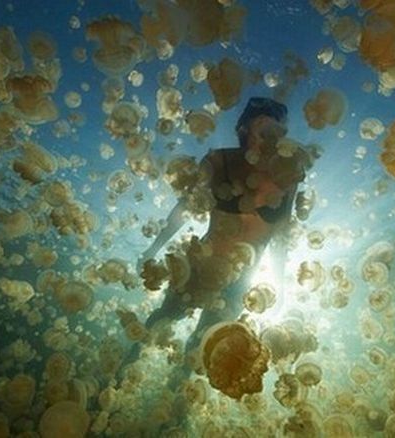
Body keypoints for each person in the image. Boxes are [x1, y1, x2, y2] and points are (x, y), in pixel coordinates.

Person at [123, 97, 308, 378]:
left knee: (204, 351)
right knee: (160, 320)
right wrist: (153, 247)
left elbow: (281, 236)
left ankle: (174, 412)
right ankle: (116, 376)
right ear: (244, 128)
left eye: (277, 133)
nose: (270, 139)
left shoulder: (290, 178)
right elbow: (185, 206)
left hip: (241, 283)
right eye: (263, 129)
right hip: (197, 264)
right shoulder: (218, 161)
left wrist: (279, 285)